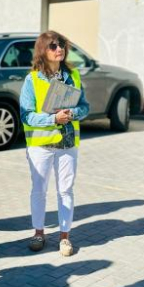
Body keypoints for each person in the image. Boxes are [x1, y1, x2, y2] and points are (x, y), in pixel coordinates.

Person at [20, 31, 90, 257]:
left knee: (66, 190)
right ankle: (39, 233)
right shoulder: (32, 79)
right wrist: (52, 119)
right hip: (41, 146)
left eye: (61, 45)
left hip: (68, 143)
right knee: (39, 191)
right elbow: (26, 115)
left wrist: (73, 113)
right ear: (43, 51)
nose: (59, 49)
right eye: (53, 46)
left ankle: (65, 237)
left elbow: (85, 107)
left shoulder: (74, 75)